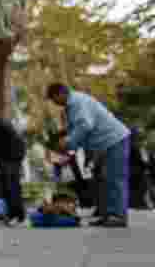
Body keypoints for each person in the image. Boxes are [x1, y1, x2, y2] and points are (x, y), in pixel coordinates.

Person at [46, 83, 130, 227]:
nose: (54, 103)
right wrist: (69, 145)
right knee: (101, 180)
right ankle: (107, 214)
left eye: (53, 99)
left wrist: (69, 142)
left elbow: (85, 125)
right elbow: (79, 130)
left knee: (114, 178)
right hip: (102, 144)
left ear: (60, 93)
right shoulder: (72, 105)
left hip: (114, 140)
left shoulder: (78, 102)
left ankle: (118, 216)